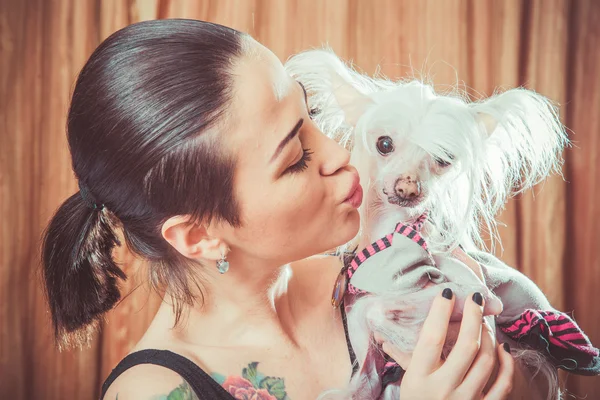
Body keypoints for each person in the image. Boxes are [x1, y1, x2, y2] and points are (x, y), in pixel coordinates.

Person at [41, 19, 514, 400]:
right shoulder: (155, 391)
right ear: (198, 236)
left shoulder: (389, 275)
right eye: (295, 159)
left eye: (309, 118)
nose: (339, 154)